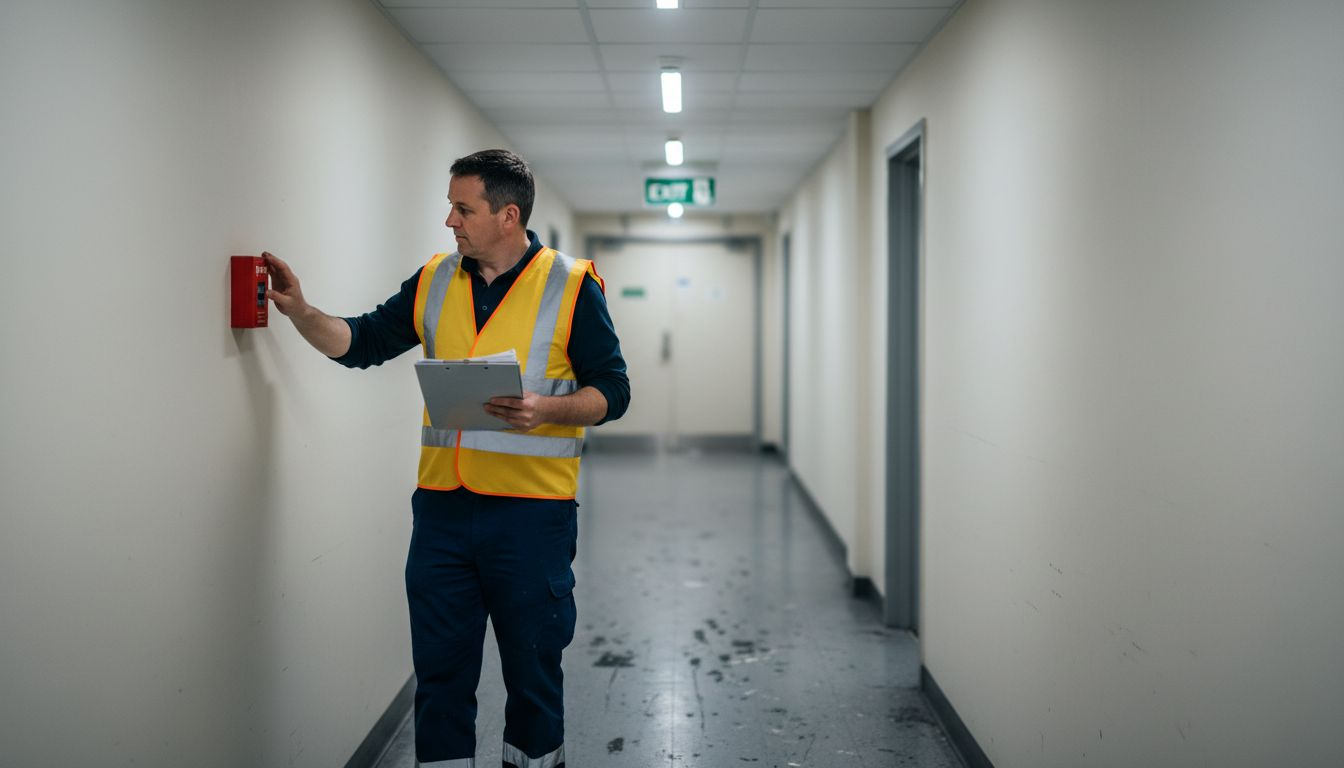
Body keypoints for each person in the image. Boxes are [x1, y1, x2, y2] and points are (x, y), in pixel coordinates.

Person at [264, 148, 629, 768]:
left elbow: (613, 392)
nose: (450, 221)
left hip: (531, 518)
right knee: (440, 681)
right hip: (441, 517)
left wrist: (547, 408)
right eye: (451, 207)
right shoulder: (435, 278)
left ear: (508, 216)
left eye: (463, 208)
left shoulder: (571, 286)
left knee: (532, 681)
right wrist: (301, 311)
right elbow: (362, 342)